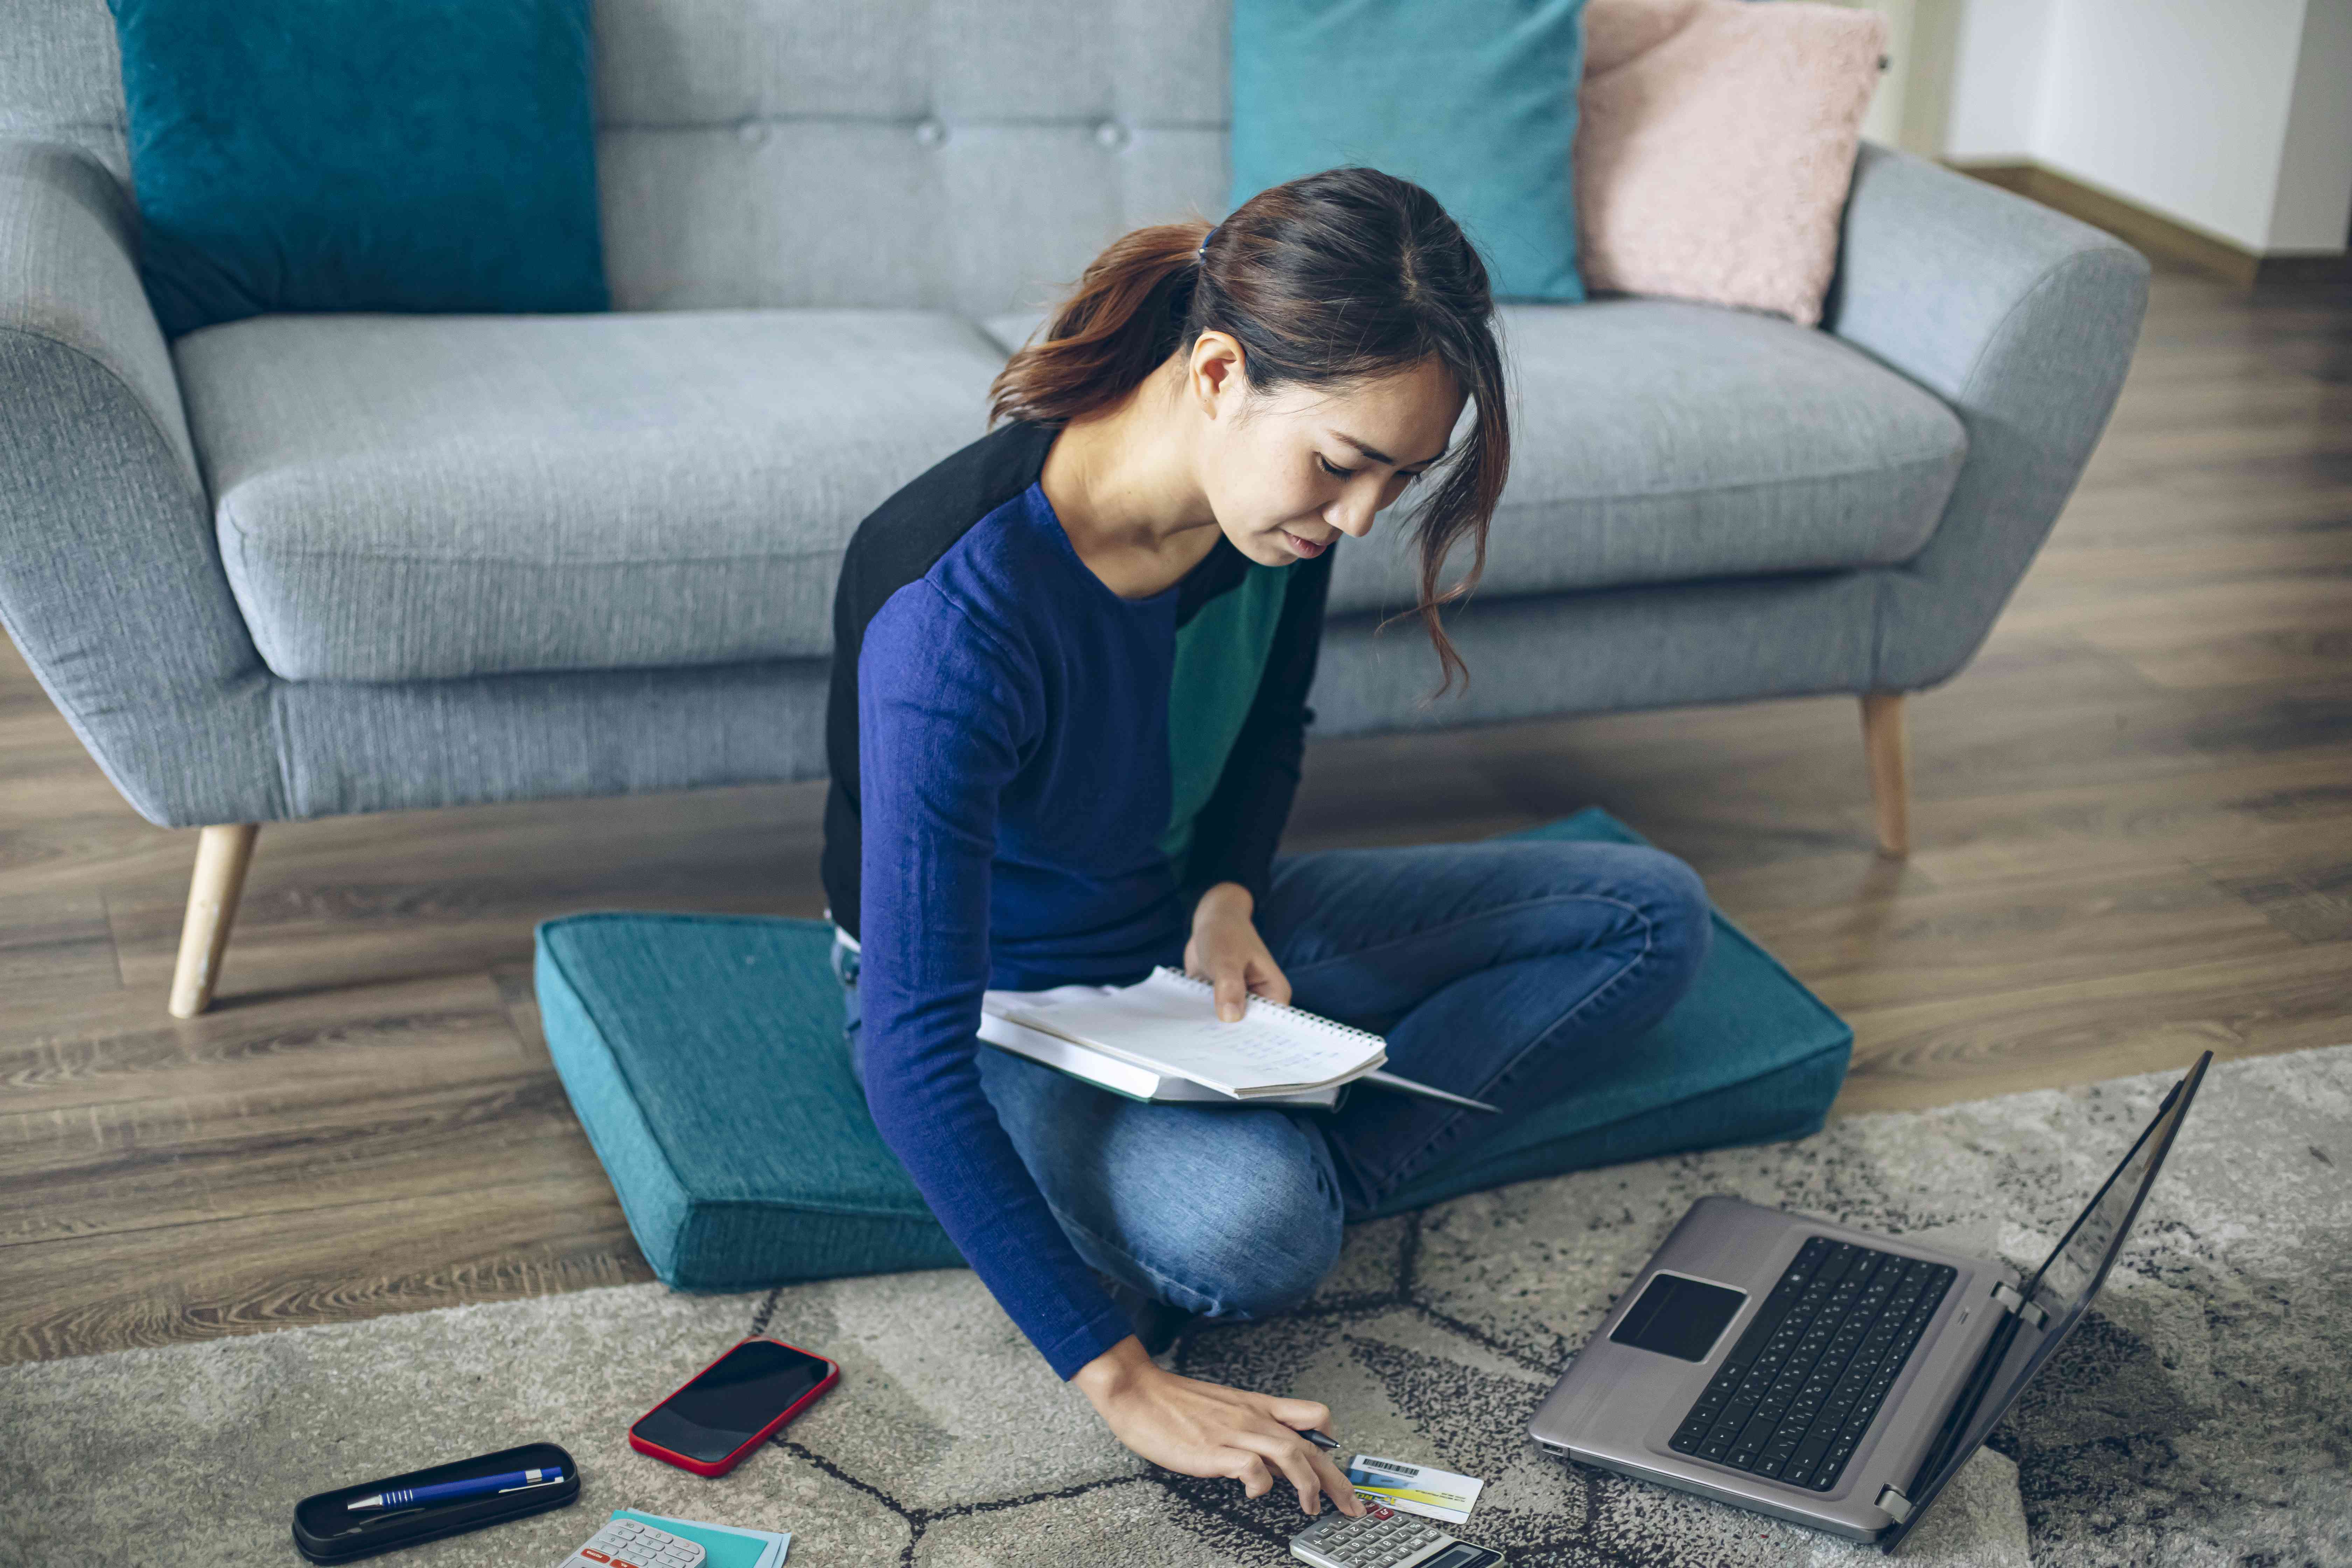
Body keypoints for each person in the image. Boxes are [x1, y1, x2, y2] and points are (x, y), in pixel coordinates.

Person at [819, 166, 1712, 1520]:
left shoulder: (1269, 510)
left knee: (1651, 915)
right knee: (1259, 1235)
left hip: (1190, 933)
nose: (1360, 518)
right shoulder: (958, 614)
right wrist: (1122, 1381)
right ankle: (1276, 1166)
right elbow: (908, 1046)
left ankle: (1291, 1135)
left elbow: (1266, 728)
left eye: (1399, 481)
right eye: (1347, 468)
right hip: (1010, 995)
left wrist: (1229, 896)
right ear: (1221, 371)